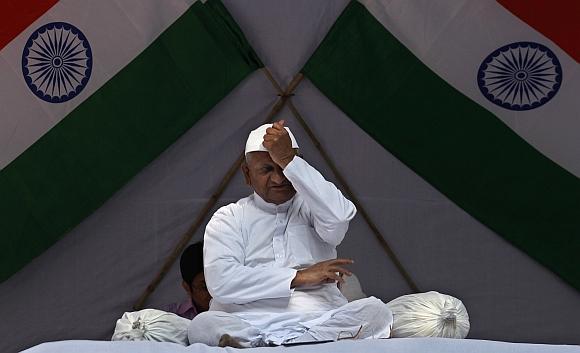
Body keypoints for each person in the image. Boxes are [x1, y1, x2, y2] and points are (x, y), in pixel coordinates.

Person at [188, 121, 393, 347]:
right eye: (267, 170)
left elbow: (341, 218)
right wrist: (299, 277)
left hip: (317, 320)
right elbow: (223, 282)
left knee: (377, 313)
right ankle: (300, 346)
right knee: (203, 325)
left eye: (284, 168)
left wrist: (289, 160)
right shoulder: (228, 217)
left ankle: (272, 346)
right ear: (247, 174)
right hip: (247, 321)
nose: (279, 179)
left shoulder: (314, 207)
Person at [162, 242, 211, 319]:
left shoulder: (234, 310)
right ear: (187, 287)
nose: (213, 292)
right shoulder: (173, 318)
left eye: (217, 284)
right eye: (204, 287)